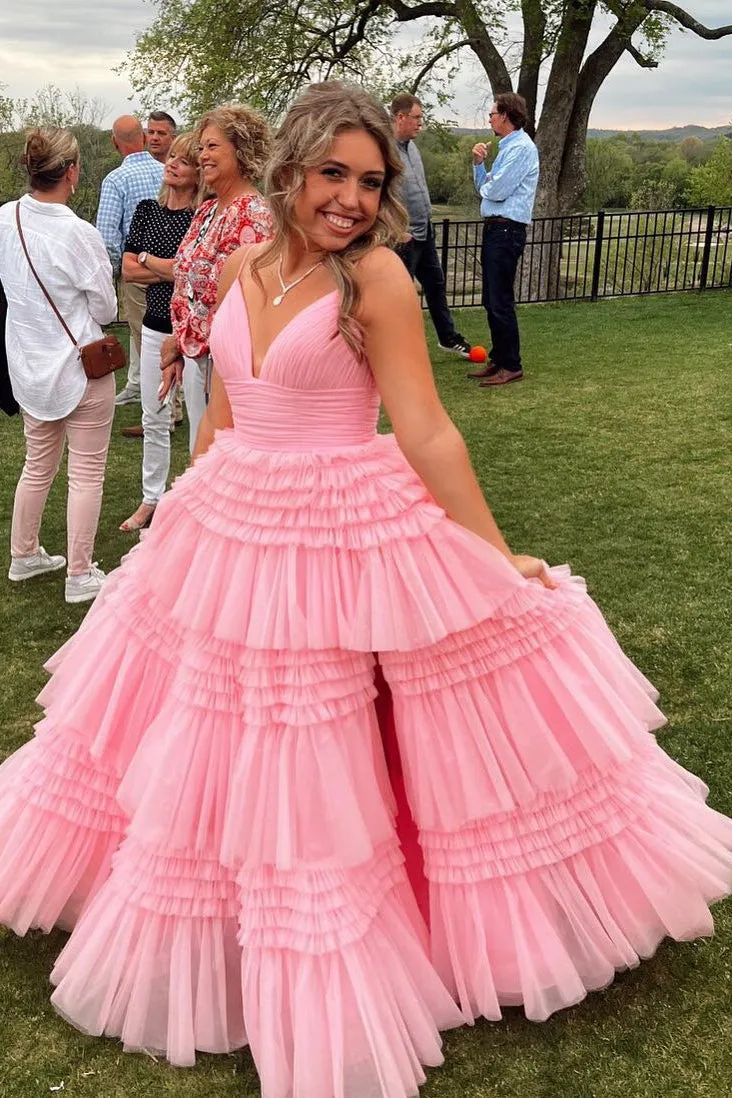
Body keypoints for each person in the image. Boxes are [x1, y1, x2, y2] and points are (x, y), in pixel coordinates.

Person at [0, 83, 731, 1098]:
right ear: (292, 167)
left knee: (340, 742)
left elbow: (425, 427)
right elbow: (224, 415)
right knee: (210, 736)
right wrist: (183, 518)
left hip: (346, 521)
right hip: (238, 520)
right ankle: (213, 927)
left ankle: (356, 941)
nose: (351, 197)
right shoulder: (247, 263)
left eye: (371, 179)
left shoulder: (375, 276)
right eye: (334, 173)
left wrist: (493, 551)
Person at [0, 128, 117, 604]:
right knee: (86, 473)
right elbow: (106, 307)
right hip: (78, 366)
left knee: (37, 464)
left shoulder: (6, 217)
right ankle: (80, 574)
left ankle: (24, 554)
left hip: (29, 364)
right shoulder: (77, 233)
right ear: (72, 172)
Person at [162, 104, 274, 451]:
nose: (203, 156)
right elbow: (186, 282)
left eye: (213, 146)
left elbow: (246, 305)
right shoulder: (209, 210)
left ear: (241, 151)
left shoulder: (254, 214)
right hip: (200, 363)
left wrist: (184, 343)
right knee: (201, 449)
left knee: (223, 456)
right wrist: (179, 344)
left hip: (233, 369)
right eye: (201, 147)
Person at [118, 132, 202, 532]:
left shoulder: (202, 217)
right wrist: (169, 267)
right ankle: (152, 498)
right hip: (155, 326)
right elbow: (128, 270)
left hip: (198, 331)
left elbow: (195, 272)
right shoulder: (146, 210)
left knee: (203, 420)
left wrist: (153, 262)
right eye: (172, 157)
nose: (173, 164)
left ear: (198, 172)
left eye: (184, 161)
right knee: (154, 415)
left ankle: (194, 498)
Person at [391, 94, 471, 358]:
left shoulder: (412, 148)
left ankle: (447, 338)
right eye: (416, 118)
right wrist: (394, 228)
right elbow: (378, 194)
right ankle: (397, 350)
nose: (420, 124)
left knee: (435, 284)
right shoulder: (384, 150)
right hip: (402, 237)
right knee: (400, 296)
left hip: (425, 231)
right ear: (400, 117)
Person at [469, 92, 539, 386]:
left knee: (500, 300)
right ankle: (499, 358)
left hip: (507, 230)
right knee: (491, 298)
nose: (489, 118)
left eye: (493, 113)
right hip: (496, 228)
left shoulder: (521, 148)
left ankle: (511, 364)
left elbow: (495, 192)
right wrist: (478, 165)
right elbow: (486, 186)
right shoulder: (506, 147)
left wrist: (489, 185)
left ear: (506, 116)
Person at [96, 115, 164, 407]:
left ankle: (158, 405)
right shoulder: (169, 172)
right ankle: (170, 396)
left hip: (137, 270)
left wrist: (110, 274)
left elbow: (107, 236)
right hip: (171, 267)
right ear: (145, 138)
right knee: (169, 332)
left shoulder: (116, 180)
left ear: (114, 143)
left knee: (144, 338)